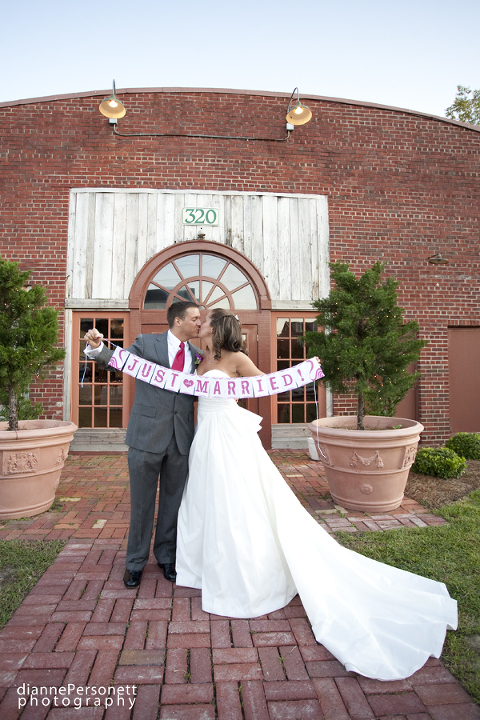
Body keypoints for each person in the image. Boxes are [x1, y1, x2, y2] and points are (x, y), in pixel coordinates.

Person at [175, 308, 458, 681]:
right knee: (204, 501)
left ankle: (244, 576)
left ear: (218, 327)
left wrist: (304, 371)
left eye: (206, 321)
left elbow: (268, 384)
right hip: (205, 436)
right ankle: (203, 567)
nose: (201, 324)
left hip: (229, 434)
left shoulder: (236, 358)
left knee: (237, 504)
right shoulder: (198, 359)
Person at [84, 301, 202, 588]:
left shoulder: (198, 355)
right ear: (177, 321)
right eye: (196, 318)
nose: (200, 323)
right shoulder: (147, 344)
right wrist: (98, 347)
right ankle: (135, 563)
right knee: (141, 504)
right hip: (146, 436)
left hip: (181, 440)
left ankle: (167, 557)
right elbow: (116, 362)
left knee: (173, 504)